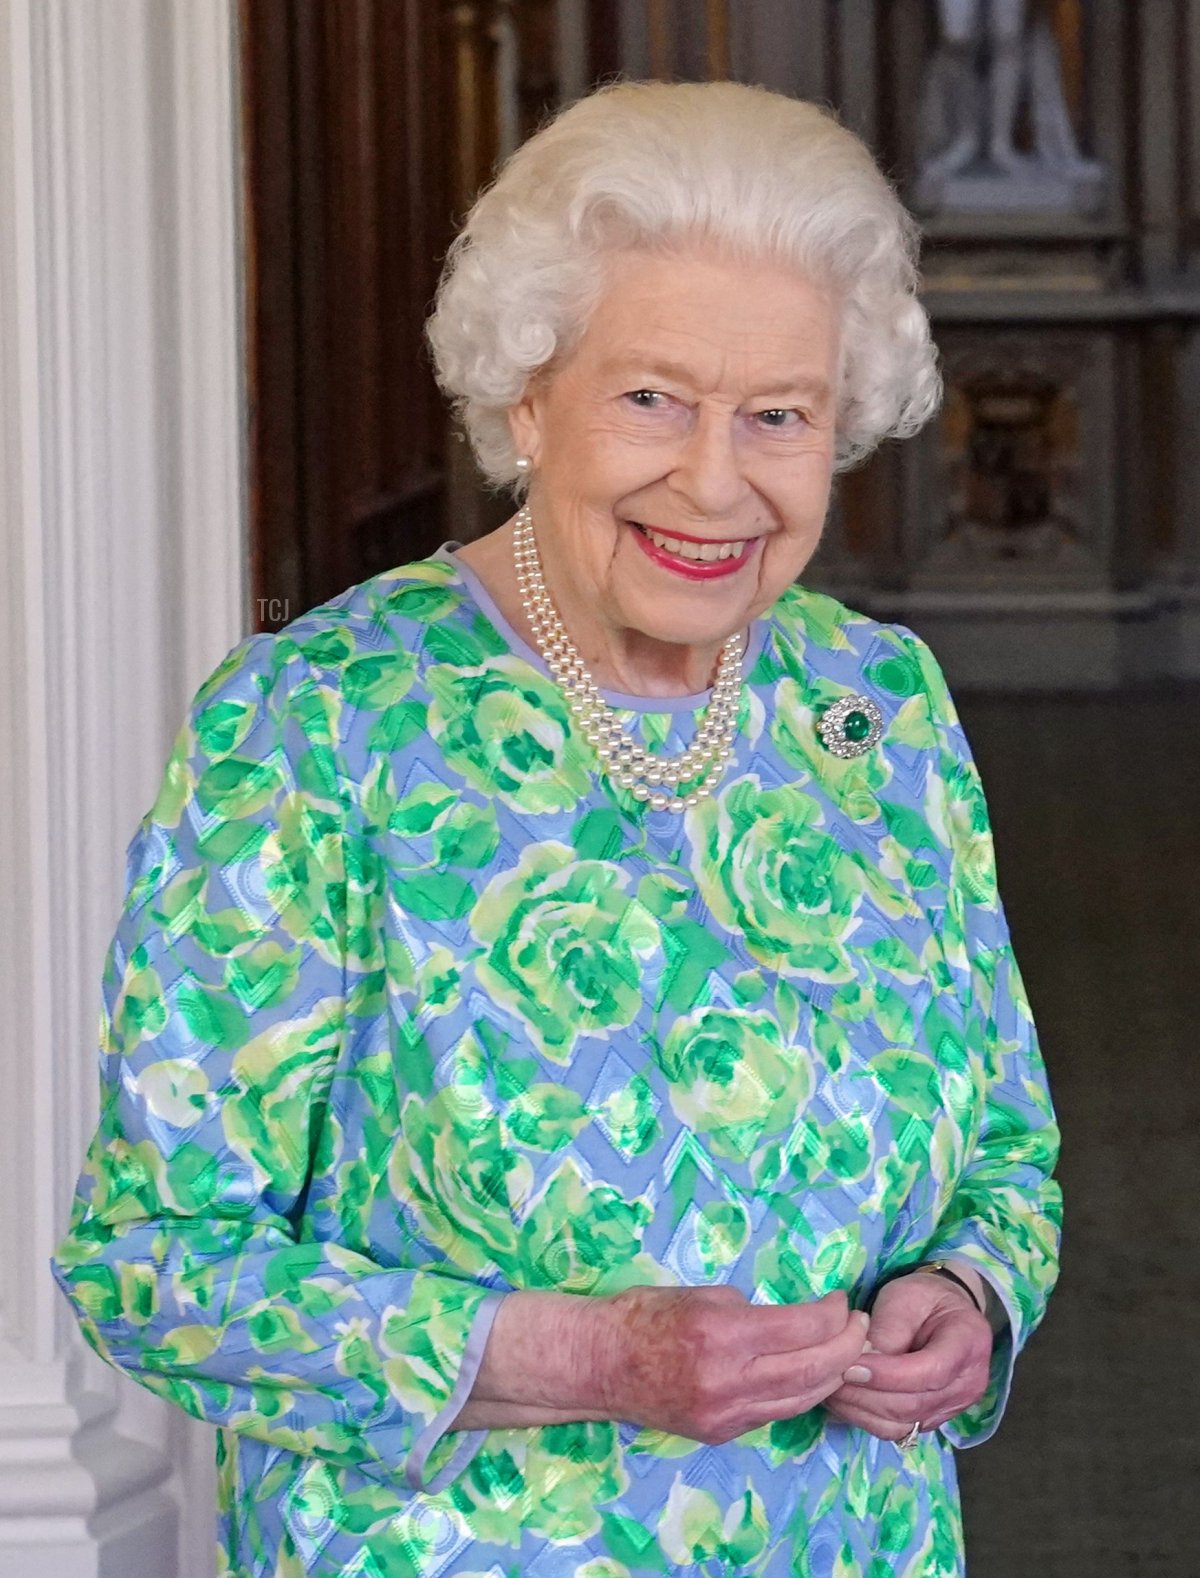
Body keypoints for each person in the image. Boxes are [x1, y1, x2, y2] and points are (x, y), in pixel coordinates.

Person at [52, 80, 1061, 1576]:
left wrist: (972, 1295)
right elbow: (152, 1262)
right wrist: (597, 1359)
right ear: (527, 397)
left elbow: (1007, 1146)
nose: (715, 479)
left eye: (777, 413)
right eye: (652, 396)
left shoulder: (877, 703)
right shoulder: (323, 720)